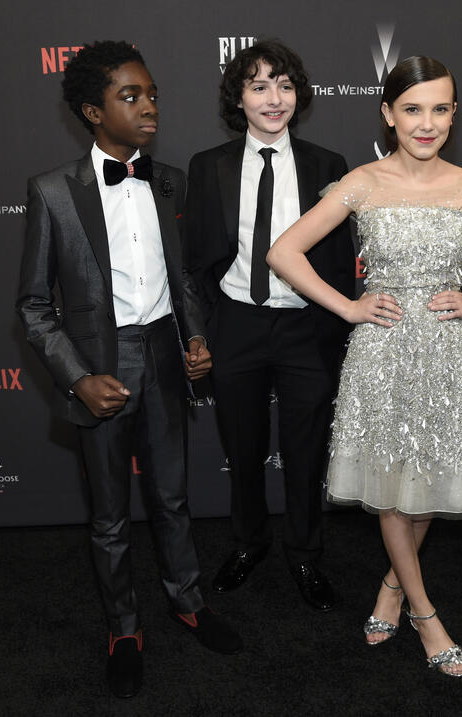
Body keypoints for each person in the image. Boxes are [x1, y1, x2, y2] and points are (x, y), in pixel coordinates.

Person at [267, 56, 462, 676]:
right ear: (387, 114)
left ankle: (393, 586)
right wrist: (347, 306)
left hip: (448, 353)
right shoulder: (361, 183)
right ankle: (427, 614)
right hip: (380, 350)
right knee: (390, 489)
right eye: (411, 109)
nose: (425, 123)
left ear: (453, 114)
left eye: (439, 109)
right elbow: (282, 252)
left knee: (425, 482)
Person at [16, 41, 241, 699]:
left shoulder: (170, 179)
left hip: (167, 359)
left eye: (153, 95)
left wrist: (196, 336)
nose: (149, 107)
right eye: (130, 97)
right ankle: (122, 628)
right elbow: (33, 306)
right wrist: (77, 376)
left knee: (172, 497)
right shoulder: (53, 193)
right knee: (110, 515)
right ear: (92, 109)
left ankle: (188, 600)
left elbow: (185, 280)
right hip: (98, 368)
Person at [184, 40, 355, 611]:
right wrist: (211, 320)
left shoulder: (327, 166)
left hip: (307, 329)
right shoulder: (208, 166)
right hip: (237, 323)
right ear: (239, 97)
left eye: (283, 85)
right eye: (259, 86)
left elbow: (334, 258)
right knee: (243, 445)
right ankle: (247, 542)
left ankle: (306, 554)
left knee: (306, 454)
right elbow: (197, 254)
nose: (273, 98)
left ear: (298, 95)